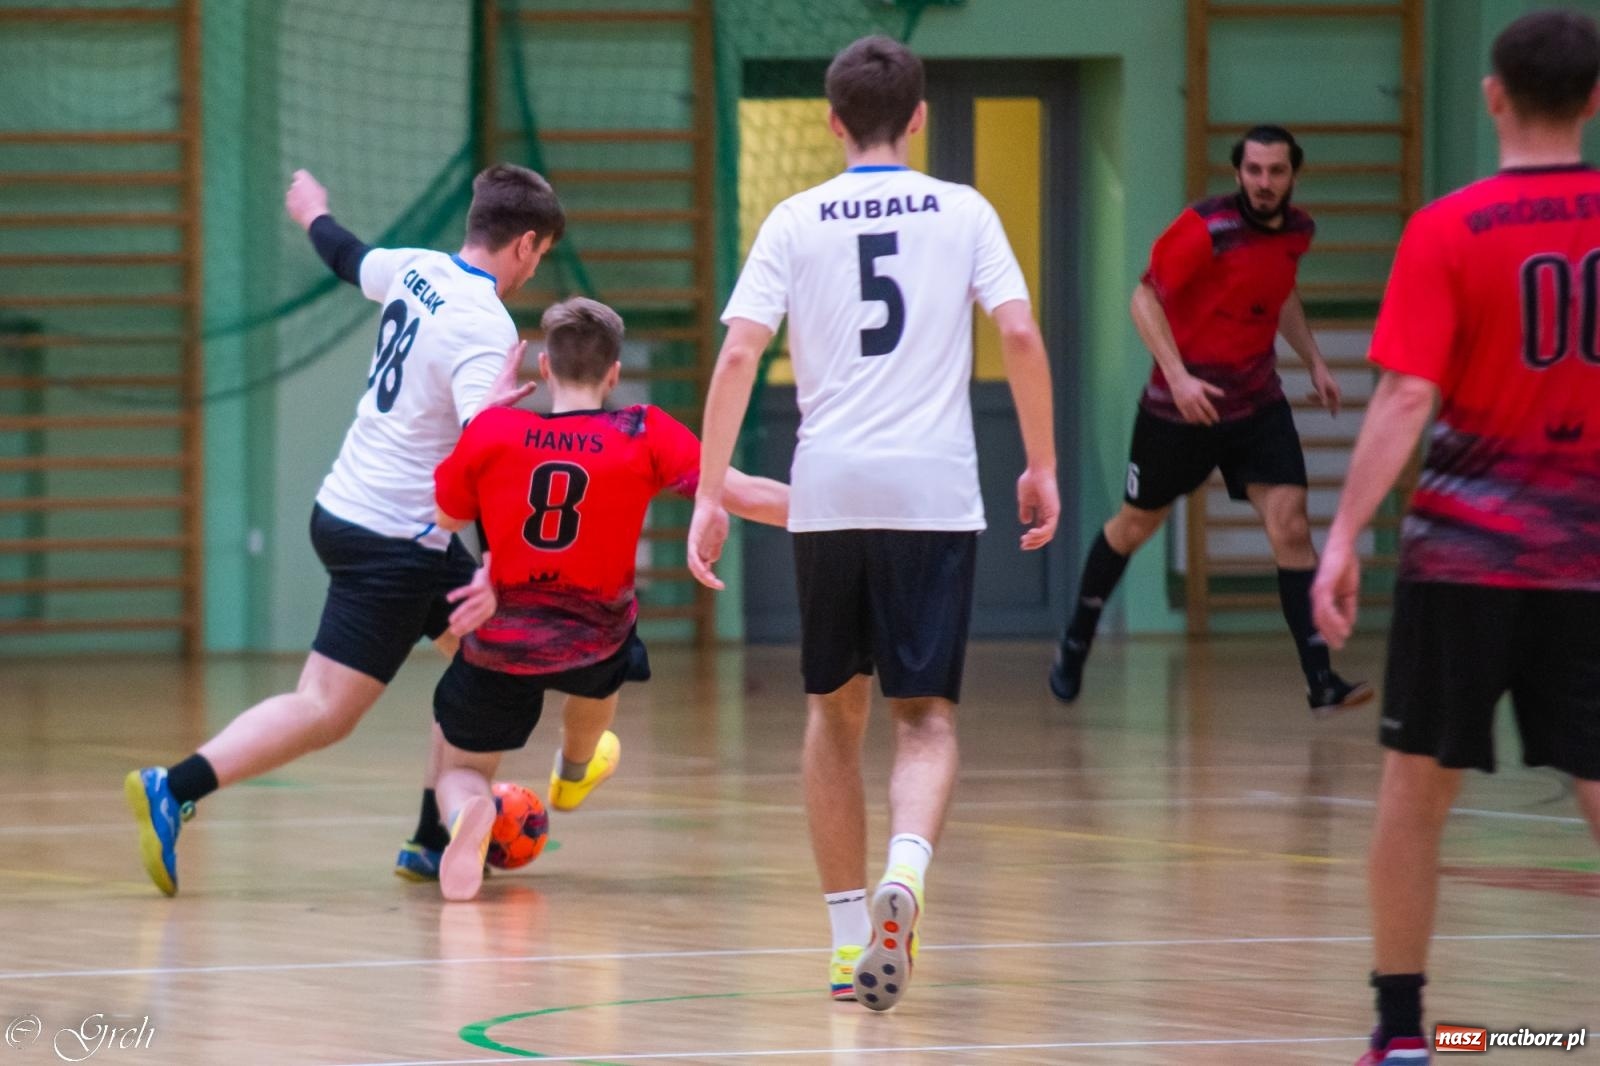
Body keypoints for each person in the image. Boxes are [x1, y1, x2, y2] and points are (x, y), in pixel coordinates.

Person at [688, 35, 1059, 1010]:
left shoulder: (792, 218)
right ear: (921, 116)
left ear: (830, 120)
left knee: (831, 713)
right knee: (925, 719)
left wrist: (705, 489)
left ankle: (848, 935)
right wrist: (1043, 462)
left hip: (831, 490)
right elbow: (1018, 331)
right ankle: (907, 871)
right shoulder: (964, 211)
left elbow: (736, 357)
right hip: (932, 492)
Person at [124, 164, 565, 896]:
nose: (535, 267)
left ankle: (431, 839)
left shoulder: (418, 269)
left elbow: (346, 256)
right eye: (541, 254)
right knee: (325, 708)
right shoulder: (487, 326)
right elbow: (482, 461)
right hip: (398, 540)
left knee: (493, 659)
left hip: (352, 511)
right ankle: (174, 786)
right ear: (524, 244)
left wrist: (312, 211)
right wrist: (493, 564)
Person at [1311, 11, 1600, 1064]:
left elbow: (1401, 397)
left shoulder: (1448, 227)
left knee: (1414, 786)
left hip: (1465, 557)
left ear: (1491, 97)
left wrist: (1341, 534)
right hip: (1589, 557)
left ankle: (1400, 1029)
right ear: (1594, 99)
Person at [427, 297, 789, 901]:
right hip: (595, 642)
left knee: (459, 769)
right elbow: (746, 494)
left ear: (543, 368)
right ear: (614, 373)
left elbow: (443, 515)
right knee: (602, 678)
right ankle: (573, 771)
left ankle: (469, 815)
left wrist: (482, 420)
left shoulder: (495, 430)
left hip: (503, 639)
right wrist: (845, 512)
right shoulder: (641, 430)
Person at [1049, 125, 1371, 716]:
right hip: (1180, 409)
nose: (1265, 183)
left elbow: (1281, 295)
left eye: (1276, 172)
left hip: (1256, 405)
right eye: (1254, 171)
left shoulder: (1298, 232)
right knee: (1134, 527)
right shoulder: (1207, 229)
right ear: (1239, 172)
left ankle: (1320, 680)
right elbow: (1143, 299)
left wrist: (1316, 360)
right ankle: (1076, 638)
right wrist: (1175, 374)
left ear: (1293, 175)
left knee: (1291, 525)